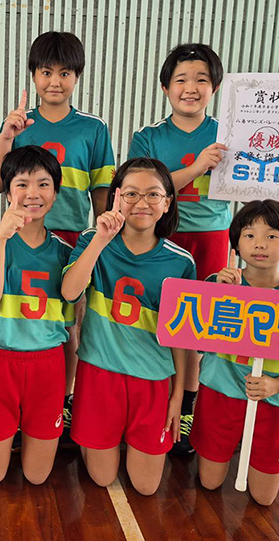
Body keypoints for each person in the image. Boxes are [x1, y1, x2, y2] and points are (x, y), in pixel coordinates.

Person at [127, 43, 279, 454]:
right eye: (181, 79)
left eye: (201, 79)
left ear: (215, 86)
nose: (191, 87)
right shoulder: (146, 137)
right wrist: (199, 166)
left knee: (207, 327)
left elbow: (273, 158)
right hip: (161, 240)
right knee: (157, 323)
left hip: (213, 236)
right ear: (165, 87)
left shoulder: (232, 130)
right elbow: (143, 193)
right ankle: (155, 399)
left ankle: (189, 405)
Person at [0, 32, 116, 443]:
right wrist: (7, 136)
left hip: (72, 238)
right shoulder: (20, 126)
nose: (55, 81)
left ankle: (63, 399)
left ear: (77, 76)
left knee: (67, 323)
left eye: (65, 72)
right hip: (23, 237)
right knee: (15, 317)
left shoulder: (93, 128)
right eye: (46, 72)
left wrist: (99, 235)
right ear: (33, 75)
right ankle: (12, 400)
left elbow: (102, 189)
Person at [61, 157, 194, 495]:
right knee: (102, 478)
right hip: (99, 375)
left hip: (153, 382)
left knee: (147, 487)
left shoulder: (180, 262)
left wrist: (178, 396)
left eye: (153, 195)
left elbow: (182, 340)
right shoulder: (93, 240)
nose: (142, 203)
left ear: (167, 203)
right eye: (131, 194)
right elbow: (70, 291)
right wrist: (101, 240)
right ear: (117, 197)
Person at [191, 199, 279, 505]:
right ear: (236, 242)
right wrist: (220, 295)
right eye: (249, 234)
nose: (260, 244)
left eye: (272, 236)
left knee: (264, 498)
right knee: (209, 482)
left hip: (271, 402)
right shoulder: (214, 285)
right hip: (220, 394)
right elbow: (196, 344)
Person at [0, 146, 74, 485]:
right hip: (0, 363)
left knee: (38, 476)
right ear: (8, 191)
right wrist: (1, 238)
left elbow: (69, 329)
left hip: (48, 367)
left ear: (55, 193)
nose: (33, 193)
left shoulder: (65, 252)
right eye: (22, 184)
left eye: (43, 184)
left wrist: (66, 390)